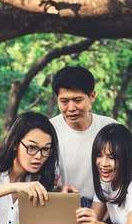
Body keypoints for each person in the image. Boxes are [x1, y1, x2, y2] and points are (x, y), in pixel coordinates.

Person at [50, 66, 117, 205]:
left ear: (92, 96)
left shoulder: (110, 128)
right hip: (64, 203)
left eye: (77, 100)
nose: (71, 108)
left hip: (106, 205)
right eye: (64, 101)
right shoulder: (49, 130)